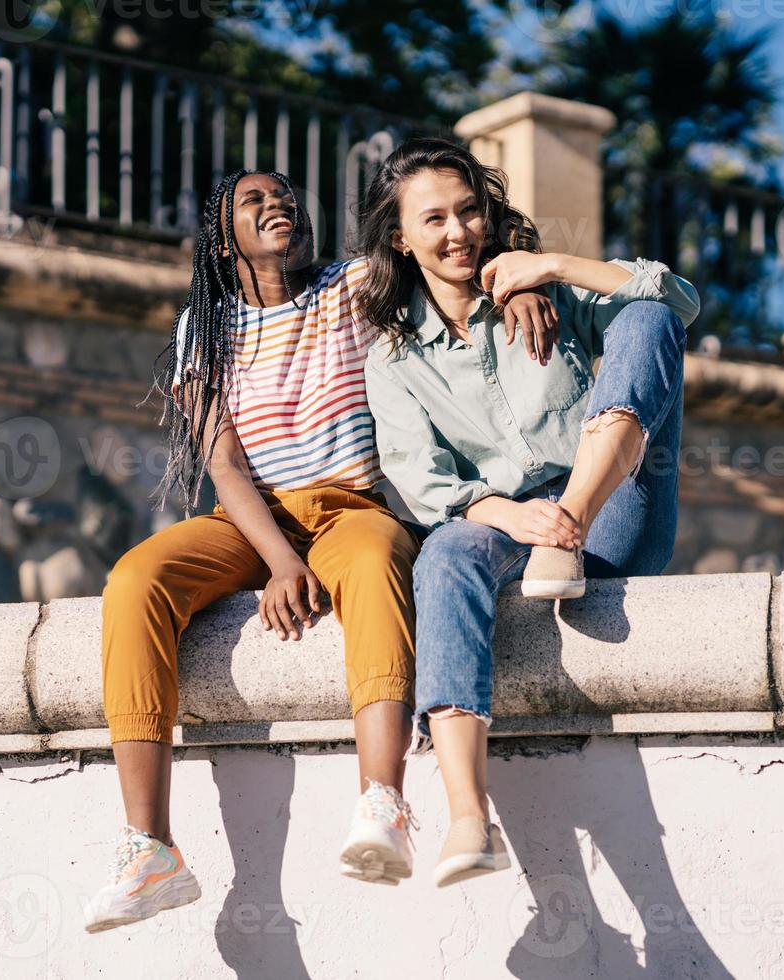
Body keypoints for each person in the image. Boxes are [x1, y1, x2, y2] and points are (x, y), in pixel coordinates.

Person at [85, 168, 558, 931]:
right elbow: (225, 465)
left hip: (354, 508)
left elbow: (452, 248)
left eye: (289, 199)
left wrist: (519, 284)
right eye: (255, 201)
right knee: (136, 578)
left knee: (375, 566)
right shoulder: (200, 327)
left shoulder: (356, 285)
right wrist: (278, 560)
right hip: (252, 521)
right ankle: (151, 847)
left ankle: (383, 802)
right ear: (221, 234)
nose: (281, 207)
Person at [357, 138, 700, 887]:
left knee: (645, 322)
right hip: (505, 527)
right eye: (436, 219)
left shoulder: (545, 295)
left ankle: (571, 520)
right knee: (445, 550)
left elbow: (679, 301)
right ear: (400, 238)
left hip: (610, 516)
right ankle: (468, 819)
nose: (459, 232)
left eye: (470, 210)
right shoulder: (392, 356)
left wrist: (552, 267)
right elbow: (420, 481)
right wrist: (516, 519)